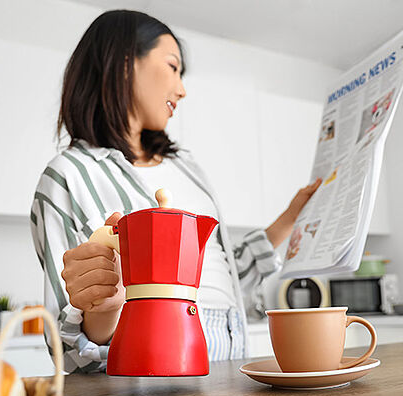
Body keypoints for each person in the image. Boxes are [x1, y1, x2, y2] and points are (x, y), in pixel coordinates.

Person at [30, 10, 321, 373]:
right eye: (173, 67)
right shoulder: (69, 176)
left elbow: (217, 273)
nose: (182, 89)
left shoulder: (186, 166)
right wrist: (104, 305)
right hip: (152, 362)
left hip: (233, 348)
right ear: (123, 64)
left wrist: (293, 216)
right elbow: (70, 347)